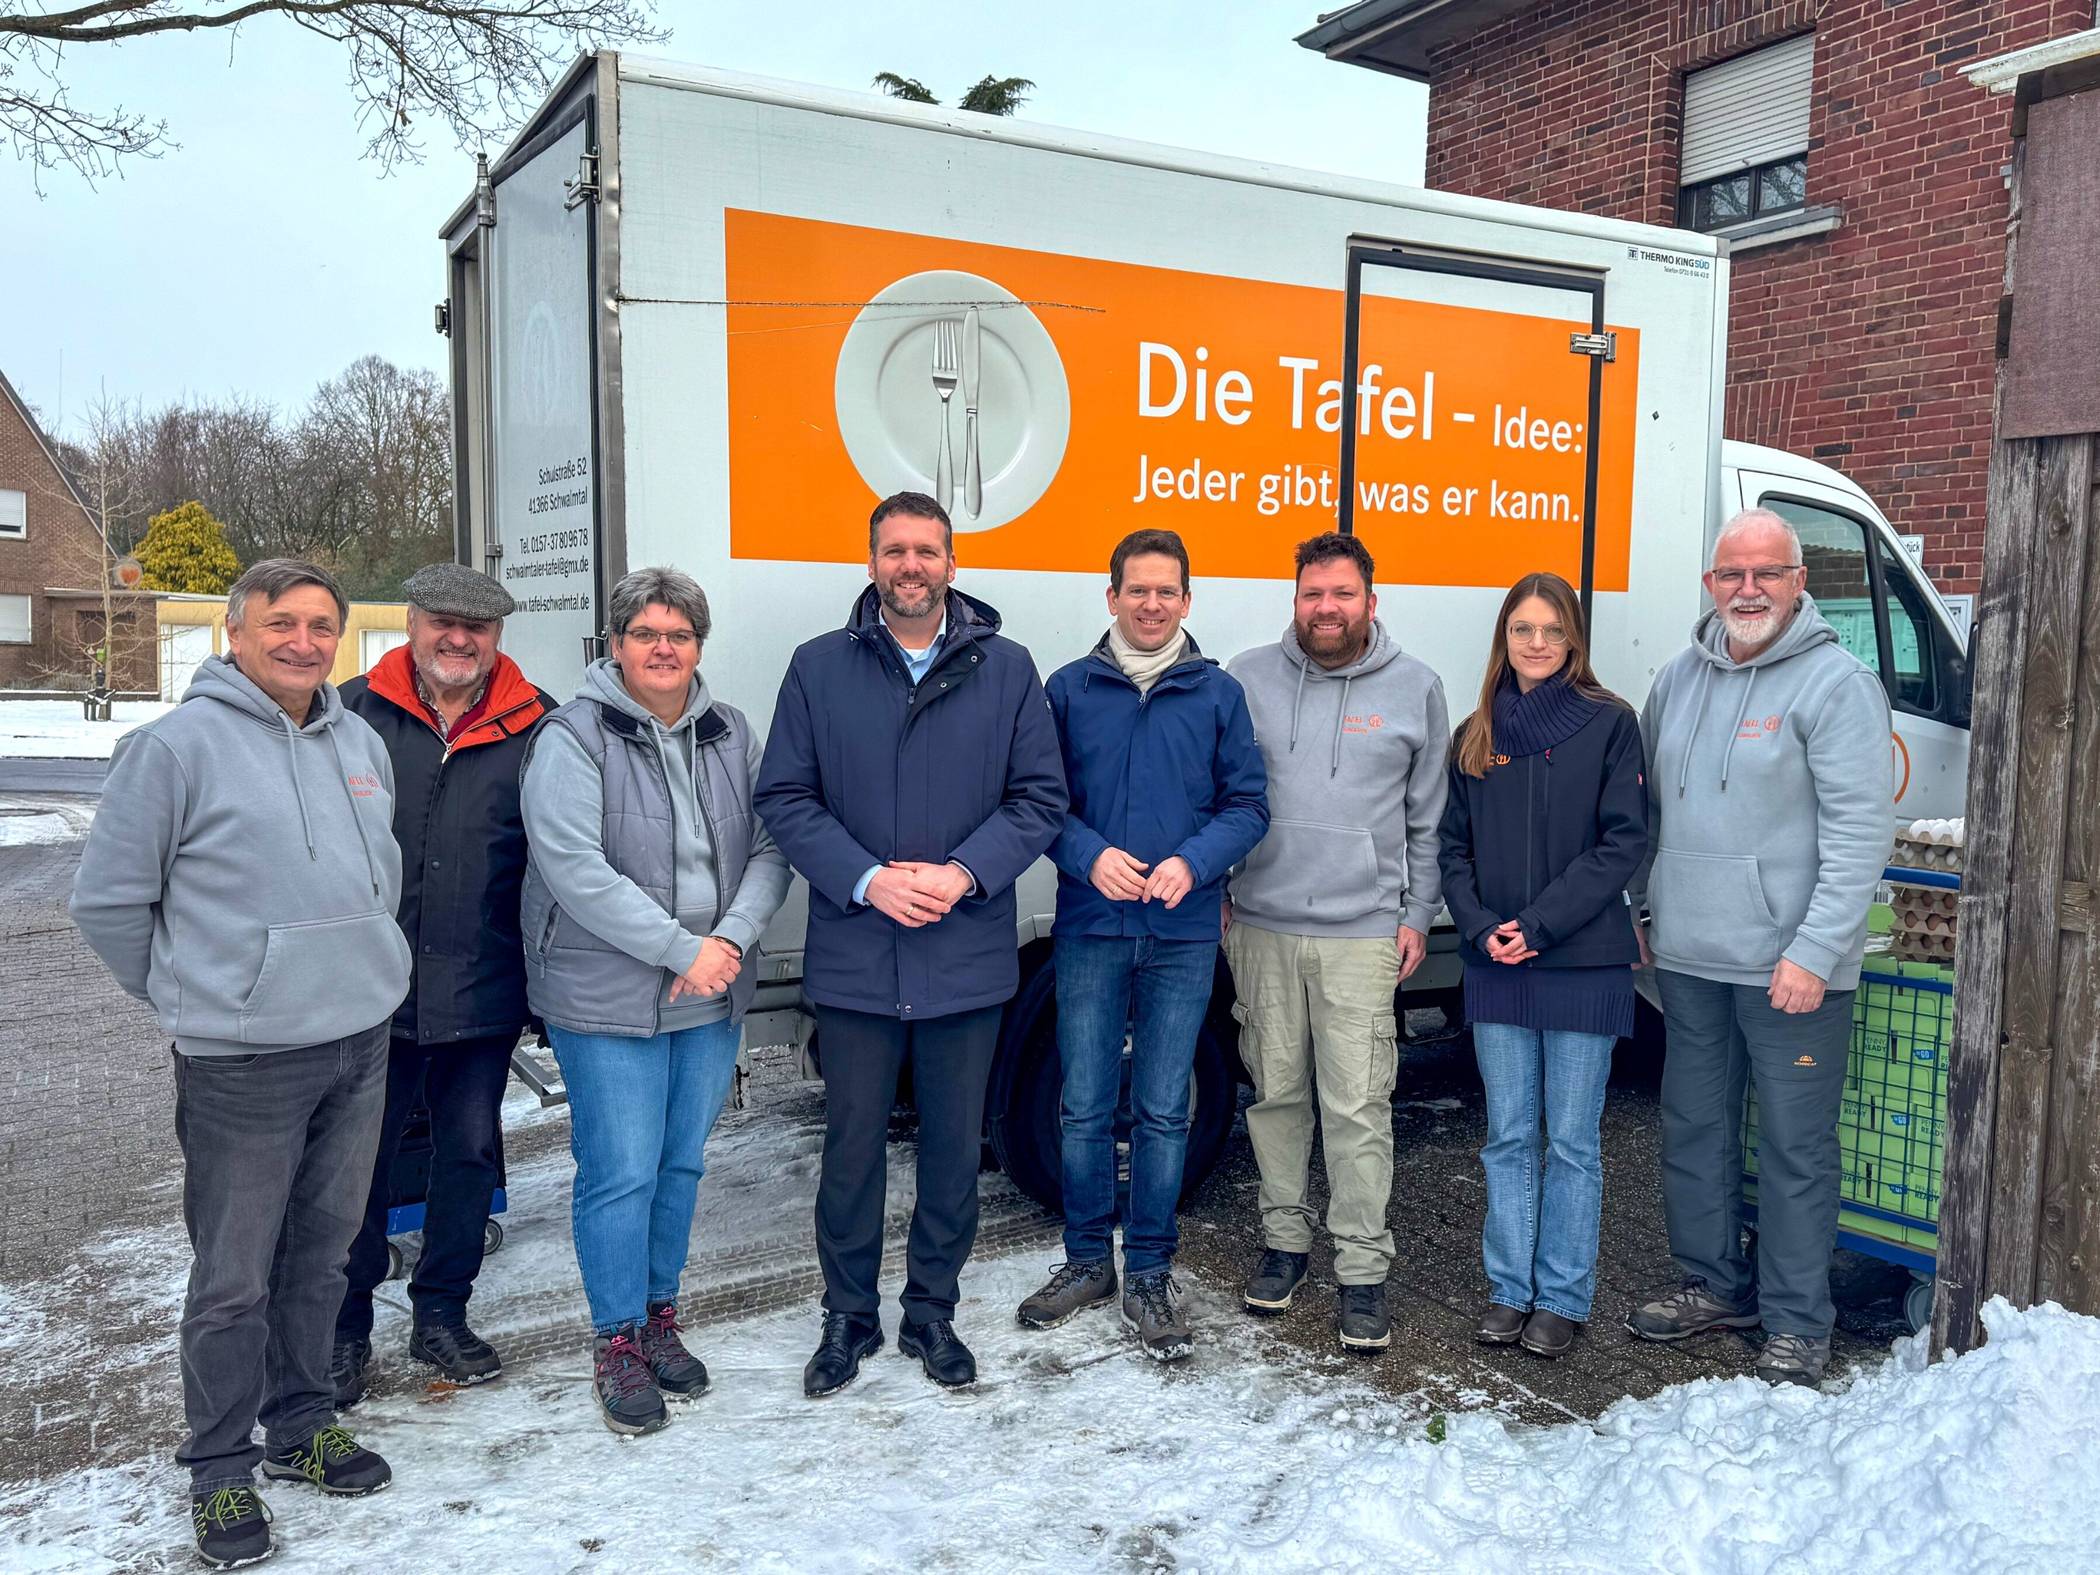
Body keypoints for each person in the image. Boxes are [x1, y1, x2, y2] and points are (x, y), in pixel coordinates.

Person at [71, 559, 409, 1570]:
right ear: (237, 633)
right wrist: (195, 998)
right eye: (282, 624)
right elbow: (107, 904)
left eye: (320, 625)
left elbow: (378, 874)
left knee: (324, 1254)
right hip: (242, 1065)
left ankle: (302, 1424)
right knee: (232, 1278)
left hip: (359, 1042)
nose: (304, 642)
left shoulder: (358, 740)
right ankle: (220, 1467)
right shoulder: (173, 750)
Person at [756, 490, 1066, 1397]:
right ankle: (847, 1317)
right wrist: (867, 878)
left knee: (951, 1152)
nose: (911, 567)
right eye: (895, 551)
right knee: (850, 1150)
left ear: (952, 565)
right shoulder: (818, 668)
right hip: (857, 956)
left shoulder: (1007, 670)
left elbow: (1040, 800)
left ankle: (931, 1314)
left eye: (927, 550)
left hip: (964, 954)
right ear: (871, 564)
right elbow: (786, 797)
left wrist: (965, 873)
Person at [1625, 508, 1895, 1387]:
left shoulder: (1836, 684)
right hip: (1692, 959)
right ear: (1710, 584)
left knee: (1792, 1146)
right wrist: (1643, 908)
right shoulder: (1676, 678)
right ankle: (1714, 1284)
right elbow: (1651, 812)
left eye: (1766, 573)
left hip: (1791, 969)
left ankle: (1796, 1320)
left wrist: (1816, 949)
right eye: (1731, 574)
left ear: (1798, 581)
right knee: (1695, 1128)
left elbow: (1861, 832)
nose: (1748, 589)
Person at [519, 567, 791, 1436]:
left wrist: (730, 943)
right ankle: (616, 1339)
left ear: (698, 647)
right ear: (617, 645)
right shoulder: (572, 735)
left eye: (678, 635)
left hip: (708, 993)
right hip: (608, 997)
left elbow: (771, 846)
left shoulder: (730, 732)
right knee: (621, 1170)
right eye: (646, 634)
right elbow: (572, 866)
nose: (663, 648)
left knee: (680, 1165)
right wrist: (684, 949)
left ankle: (660, 1317)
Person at [1018, 529, 1268, 1359]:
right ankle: (1089, 1260)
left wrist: (1194, 864)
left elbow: (1249, 805)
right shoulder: (1068, 689)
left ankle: (1152, 1268)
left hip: (1183, 931)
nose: (1152, 604)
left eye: (1168, 591)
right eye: (1138, 590)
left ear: (1187, 601)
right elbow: (1038, 803)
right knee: (1084, 1104)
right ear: (1112, 595)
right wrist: (1090, 856)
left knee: (1164, 1110)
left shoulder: (1218, 694)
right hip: (1092, 927)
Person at [331, 563, 554, 1405]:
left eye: (479, 626)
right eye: (443, 623)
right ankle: (343, 1328)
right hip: (367, 993)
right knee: (357, 1168)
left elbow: (555, 856)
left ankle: (442, 1313)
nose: (459, 639)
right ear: (413, 622)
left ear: (497, 636)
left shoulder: (539, 723)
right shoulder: (350, 711)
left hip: (485, 986)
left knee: (467, 1155)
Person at [1223, 531, 1449, 1352]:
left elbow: (1429, 819)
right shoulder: (1245, 678)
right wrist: (1221, 886)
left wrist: (1416, 914)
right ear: (1295, 599)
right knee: (1276, 1095)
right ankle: (1285, 1242)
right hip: (1263, 925)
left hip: (1362, 936)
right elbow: (1218, 794)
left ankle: (1362, 1270)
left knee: (1357, 1106)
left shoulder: (1416, 686)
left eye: (1343, 594)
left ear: (1370, 602)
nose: (1327, 609)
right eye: (1313, 594)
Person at [1437, 572, 1648, 1360]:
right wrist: (1486, 925)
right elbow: (1451, 850)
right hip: (1498, 964)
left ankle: (1560, 1295)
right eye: (1522, 629)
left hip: (1581, 962)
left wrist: (1540, 924)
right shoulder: (1476, 731)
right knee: (1508, 1135)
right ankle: (1507, 1290)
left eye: (1551, 631)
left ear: (1573, 641)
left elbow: (1623, 842)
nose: (1535, 644)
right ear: (1505, 637)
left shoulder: (1610, 723)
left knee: (1571, 1142)